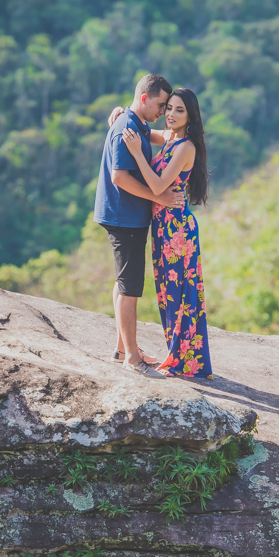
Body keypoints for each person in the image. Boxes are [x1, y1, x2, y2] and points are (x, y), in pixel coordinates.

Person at [93, 73, 184, 377]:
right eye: (161, 105)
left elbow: (168, 135)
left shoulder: (137, 124)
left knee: (123, 282)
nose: (164, 112)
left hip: (125, 215)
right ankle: (132, 357)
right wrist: (160, 195)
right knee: (130, 287)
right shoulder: (128, 127)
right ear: (145, 98)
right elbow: (120, 177)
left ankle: (123, 347)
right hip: (124, 216)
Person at [117, 88, 212, 378]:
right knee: (167, 294)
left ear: (190, 115)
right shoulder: (170, 137)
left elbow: (158, 187)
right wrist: (122, 114)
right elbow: (144, 130)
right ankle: (179, 355)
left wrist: (136, 154)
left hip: (177, 231)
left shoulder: (186, 147)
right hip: (164, 228)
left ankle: (186, 361)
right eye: (168, 107)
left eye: (179, 110)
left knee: (180, 294)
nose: (170, 114)